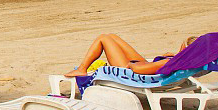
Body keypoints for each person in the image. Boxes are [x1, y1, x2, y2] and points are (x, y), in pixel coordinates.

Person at [64, 34, 198, 77]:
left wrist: (132, 64)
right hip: (147, 66)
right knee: (112, 37)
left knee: (103, 38)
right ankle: (81, 68)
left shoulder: (170, 62)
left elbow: (139, 70)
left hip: (131, 71)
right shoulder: (182, 60)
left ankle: (82, 69)